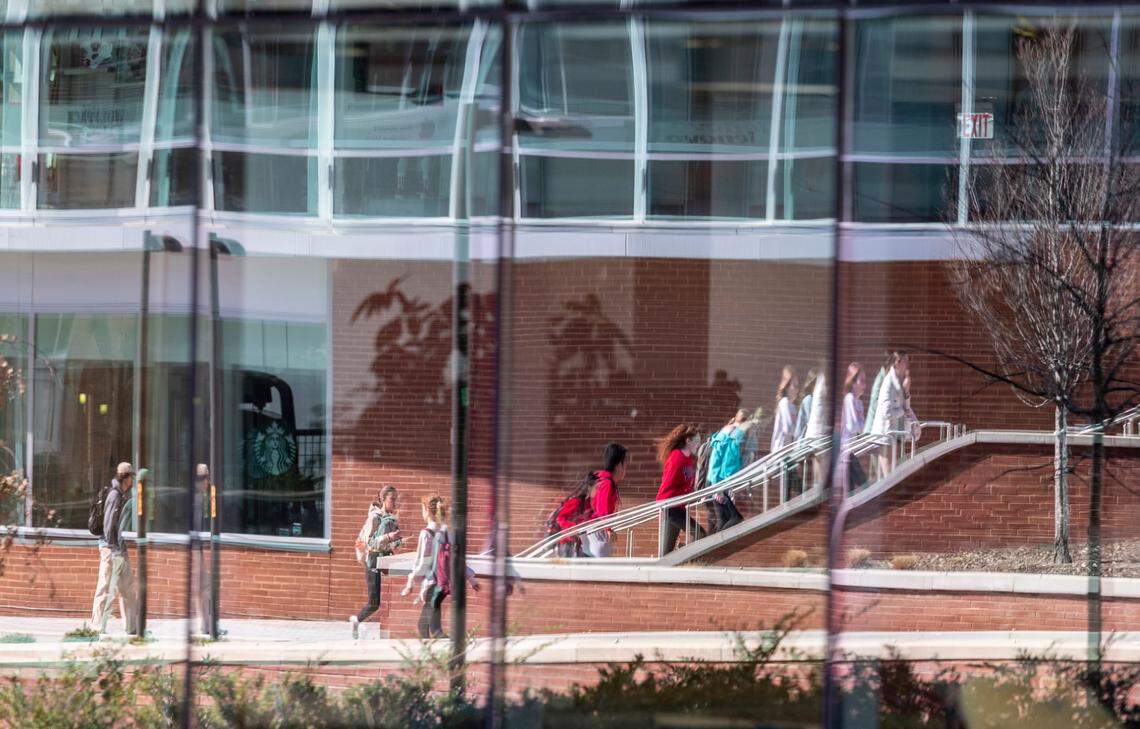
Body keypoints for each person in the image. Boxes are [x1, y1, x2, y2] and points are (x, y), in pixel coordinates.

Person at [408, 495, 479, 639]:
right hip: (443, 583)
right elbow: (457, 560)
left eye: (422, 509)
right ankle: (435, 651)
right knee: (431, 625)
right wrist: (471, 578)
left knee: (426, 625)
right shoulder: (449, 534)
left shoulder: (426, 534)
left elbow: (423, 562)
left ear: (427, 511)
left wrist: (411, 580)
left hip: (432, 581)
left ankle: (434, 654)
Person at [91, 462, 138, 635]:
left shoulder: (121, 494)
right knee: (104, 587)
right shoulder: (114, 495)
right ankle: (96, 628)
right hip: (111, 549)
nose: (133, 479)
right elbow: (108, 524)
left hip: (119, 548)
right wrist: (113, 549)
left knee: (127, 588)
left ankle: (132, 627)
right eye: (131, 476)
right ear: (126, 477)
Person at [350, 485, 402, 639]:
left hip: (385, 562)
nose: (395, 502)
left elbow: (391, 544)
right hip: (372, 563)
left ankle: (359, 622)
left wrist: (398, 541)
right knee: (374, 602)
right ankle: (356, 620)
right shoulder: (374, 518)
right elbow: (370, 543)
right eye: (392, 499)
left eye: (396, 499)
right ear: (383, 499)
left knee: (385, 600)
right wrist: (389, 537)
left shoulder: (391, 519)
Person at [656, 424, 705, 554]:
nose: (698, 445)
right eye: (696, 442)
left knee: (665, 553)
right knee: (701, 534)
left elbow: (685, 485)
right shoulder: (676, 457)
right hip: (670, 507)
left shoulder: (688, 459)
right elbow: (666, 485)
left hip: (678, 507)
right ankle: (683, 550)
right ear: (688, 440)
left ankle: (676, 555)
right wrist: (661, 507)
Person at [870, 351, 918, 477]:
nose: (908, 365)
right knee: (889, 478)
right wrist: (902, 412)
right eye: (905, 361)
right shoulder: (889, 382)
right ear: (897, 363)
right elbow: (887, 412)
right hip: (885, 436)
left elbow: (905, 407)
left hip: (893, 435)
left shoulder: (899, 381)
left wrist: (906, 392)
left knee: (891, 476)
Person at [706, 410, 747, 533]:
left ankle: (712, 546)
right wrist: (718, 488)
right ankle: (711, 545)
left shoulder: (727, 435)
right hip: (718, 482)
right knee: (735, 518)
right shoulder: (734, 436)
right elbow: (722, 463)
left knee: (724, 520)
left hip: (718, 481)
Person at [585, 443, 628, 558]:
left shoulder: (606, 481)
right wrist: (608, 529)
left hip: (599, 528)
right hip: (598, 529)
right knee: (601, 563)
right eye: (625, 464)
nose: (625, 469)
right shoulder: (607, 483)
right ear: (619, 465)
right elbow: (602, 508)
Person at [840, 363, 868, 492]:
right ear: (853, 382)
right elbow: (852, 426)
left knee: (851, 489)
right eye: (861, 381)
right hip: (846, 450)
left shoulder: (859, 403)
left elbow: (861, 426)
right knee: (863, 484)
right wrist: (861, 426)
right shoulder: (849, 399)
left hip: (852, 450)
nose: (864, 385)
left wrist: (861, 426)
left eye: (864, 381)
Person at [554, 473, 596, 558]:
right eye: (597, 488)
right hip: (566, 543)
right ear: (589, 488)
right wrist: (574, 527)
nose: (598, 490)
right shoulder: (575, 501)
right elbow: (559, 518)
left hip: (577, 542)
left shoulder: (587, 503)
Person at [770, 367, 798, 454]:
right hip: (779, 449)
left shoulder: (793, 407)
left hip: (788, 450)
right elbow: (788, 428)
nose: (797, 389)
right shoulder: (784, 403)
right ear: (787, 387)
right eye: (795, 386)